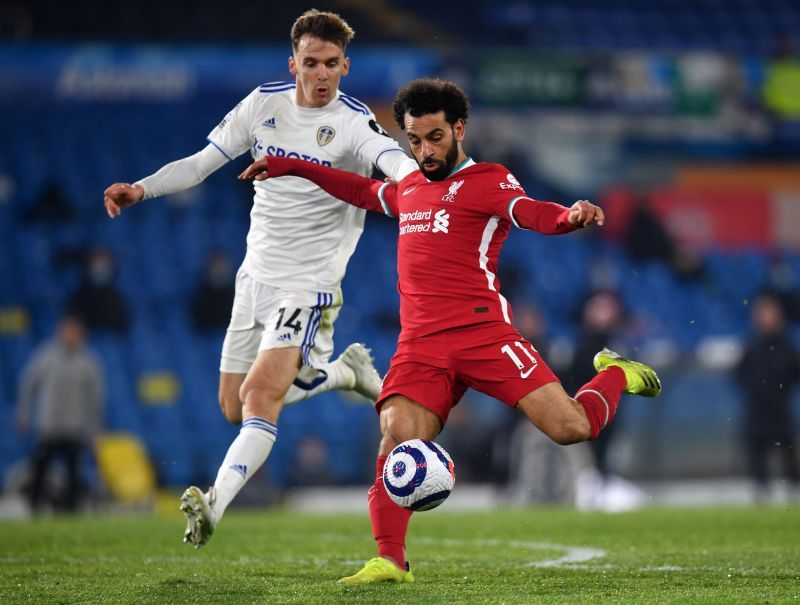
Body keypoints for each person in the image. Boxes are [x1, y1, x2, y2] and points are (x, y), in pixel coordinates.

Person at [239, 77, 662, 583]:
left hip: (484, 334)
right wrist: (291, 166)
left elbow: (530, 212)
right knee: (395, 436)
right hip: (421, 344)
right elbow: (359, 188)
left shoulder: (487, 179)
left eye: (434, 137)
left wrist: (569, 216)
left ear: (459, 128)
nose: (423, 150)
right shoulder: (411, 187)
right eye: (413, 140)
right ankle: (390, 560)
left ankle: (615, 373)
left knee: (572, 428)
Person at [102, 9, 419, 548]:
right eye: (312, 62)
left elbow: (396, 164)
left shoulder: (353, 120)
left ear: (346, 66)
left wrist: (422, 184)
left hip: (310, 283)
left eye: (332, 65)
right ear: (293, 62)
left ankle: (214, 504)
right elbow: (202, 163)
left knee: (259, 395)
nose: (321, 75)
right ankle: (341, 374)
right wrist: (141, 188)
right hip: (255, 279)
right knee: (235, 407)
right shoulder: (261, 104)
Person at [15, 313, 104, 512]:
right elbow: (28, 384)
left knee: (74, 472)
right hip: (49, 425)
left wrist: (94, 429)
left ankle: (71, 510)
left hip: (74, 427)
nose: (70, 335)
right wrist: (24, 412)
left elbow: (95, 399)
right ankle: (34, 507)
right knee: (40, 469)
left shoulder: (88, 362)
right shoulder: (46, 355)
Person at [734, 291, 800, 501]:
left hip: (780, 412)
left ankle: (792, 494)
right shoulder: (752, 347)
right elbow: (740, 375)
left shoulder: (787, 347)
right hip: (757, 412)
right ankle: (761, 496)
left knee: (788, 459)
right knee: (757, 458)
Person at [68, 247, 130, 333]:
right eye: (97, 266)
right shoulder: (81, 296)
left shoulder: (116, 298)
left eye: (103, 267)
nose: (100, 270)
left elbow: (121, 326)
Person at [191, 250, 236, 331]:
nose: (219, 271)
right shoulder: (200, 296)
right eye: (216, 267)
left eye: (222, 267)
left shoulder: (236, 295)